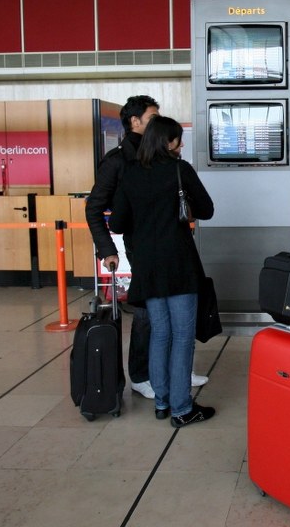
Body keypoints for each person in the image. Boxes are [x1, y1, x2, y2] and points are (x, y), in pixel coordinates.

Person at [85, 96, 209, 398]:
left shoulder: (164, 160)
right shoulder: (118, 161)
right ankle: (142, 376)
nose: (157, 122)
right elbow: (95, 208)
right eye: (152, 117)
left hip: (166, 245)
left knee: (172, 324)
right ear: (135, 122)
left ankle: (173, 376)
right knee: (148, 318)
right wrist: (107, 250)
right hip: (140, 247)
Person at [107, 116, 216, 427]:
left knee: (161, 333)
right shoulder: (180, 170)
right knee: (182, 336)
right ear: (168, 142)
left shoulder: (129, 173)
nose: (180, 145)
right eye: (177, 140)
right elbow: (207, 210)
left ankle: (162, 402)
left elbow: (115, 223)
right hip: (179, 264)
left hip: (147, 266)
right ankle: (182, 409)